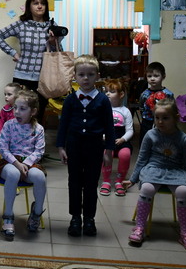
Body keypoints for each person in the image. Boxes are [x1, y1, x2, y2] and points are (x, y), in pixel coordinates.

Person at [128, 98, 186, 253]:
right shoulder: (150, 135)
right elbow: (142, 159)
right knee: (147, 188)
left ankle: (185, 233)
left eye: (165, 118)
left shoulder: (183, 139)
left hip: (175, 171)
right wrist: (133, 179)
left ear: (176, 118)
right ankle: (139, 227)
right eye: (157, 117)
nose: (160, 122)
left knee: (183, 192)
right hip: (153, 169)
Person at [56, 54, 114, 237]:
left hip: (95, 147)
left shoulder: (103, 100)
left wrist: (109, 151)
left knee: (90, 183)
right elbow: (63, 125)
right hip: (74, 146)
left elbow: (109, 127)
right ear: (75, 76)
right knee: (74, 182)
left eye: (90, 74)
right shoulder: (70, 100)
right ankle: (75, 218)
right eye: (81, 74)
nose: (86, 78)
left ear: (97, 76)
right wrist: (61, 147)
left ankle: (89, 218)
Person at [0, 0, 61, 123]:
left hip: (43, 79)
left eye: (43, 3)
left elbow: (58, 52)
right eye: (35, 3)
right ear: (29, 6)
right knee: (18, 114)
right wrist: (13, 53)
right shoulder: (21, 25)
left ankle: (35, 137)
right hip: (22, 77)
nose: (39, 6)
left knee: (37, 115)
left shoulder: (52, 26)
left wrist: (53, 42)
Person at [0, 90, 46, 241]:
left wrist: (26, 163)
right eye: (15, 108)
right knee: (13, 173)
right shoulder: (9, 125)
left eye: (22, 109)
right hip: (9, 162)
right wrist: (17, 163)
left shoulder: (38, 129)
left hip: (29, 164)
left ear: (33, 111)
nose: (17, 112)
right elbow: (3, 148)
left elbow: (39, 151)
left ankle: (36, 214)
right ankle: (8, 217)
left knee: (40, 177)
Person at [100, 79, 134, 197]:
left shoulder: (126, 111)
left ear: (121, 94)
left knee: (125, 155)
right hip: (107, 141)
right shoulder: (103, 110)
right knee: (106, 154)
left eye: (112, 91)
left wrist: (123, 139)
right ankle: (106, 181)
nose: (107, 94)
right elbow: (99, 126)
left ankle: (120, 181)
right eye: (106, 91)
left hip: (121, 140)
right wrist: (103, 136)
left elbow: (130, 130)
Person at [138, 62, 174, 142]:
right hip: (147, 121)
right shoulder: (144, 94)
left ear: (163, 76)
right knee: (145, 140)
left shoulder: (168, 94)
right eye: (149, 76)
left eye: (156, 76)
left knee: (163, 141)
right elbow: (141, 107)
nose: (152, 79)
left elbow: (172, 109)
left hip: (163, 121)